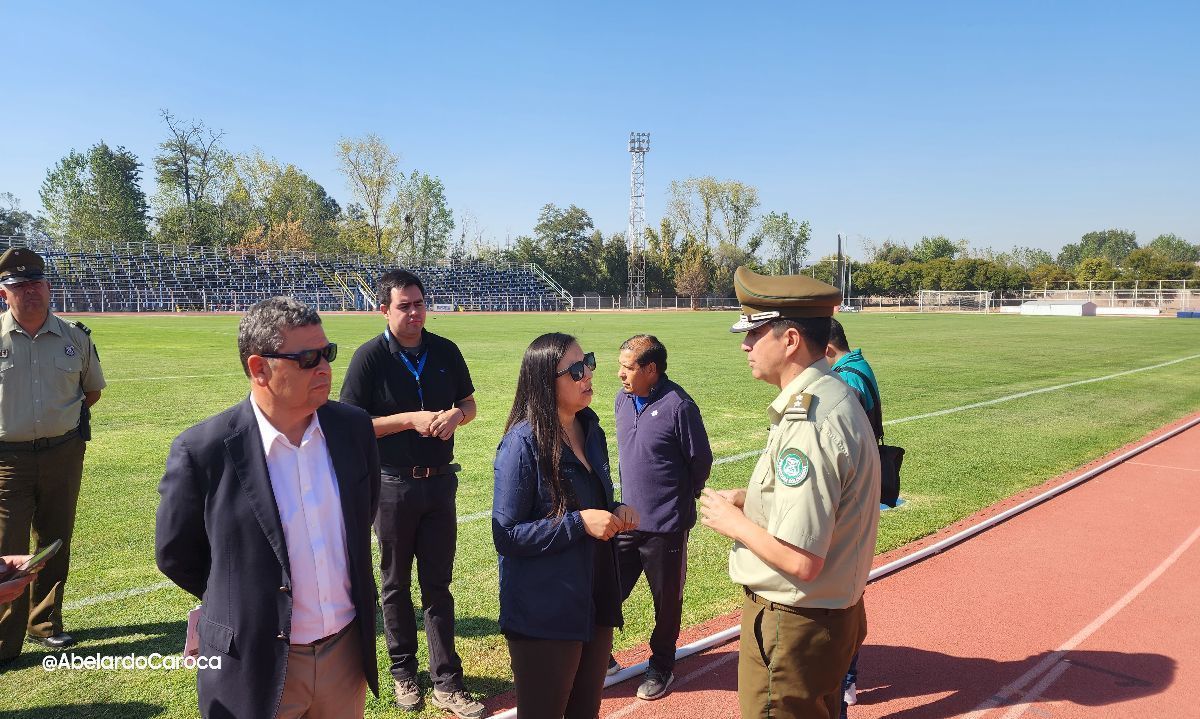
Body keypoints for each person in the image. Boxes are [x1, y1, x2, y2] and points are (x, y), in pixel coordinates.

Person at [156, 297, 381, 719]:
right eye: (308, 358)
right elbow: (175, 555)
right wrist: (237, 596)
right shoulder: (202, 451)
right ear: (259, 368)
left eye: (327, 353)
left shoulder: (352, 429)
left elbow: (360, 515)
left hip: (344, 656)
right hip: (256, 664)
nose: (324, 367)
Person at [699, 267, 880, 719]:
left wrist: (733, 522)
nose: (744, 345)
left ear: (791, 339)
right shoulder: (831, 395)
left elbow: (802, 560)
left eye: (755, 333)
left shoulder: (809, 423)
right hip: (825, 616)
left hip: (794, 623)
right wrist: (754, 498)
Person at [339, 270, 484, 719]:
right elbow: (351, 425)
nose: (415, 312)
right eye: (404, 306)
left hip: (440, 483)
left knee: (438, 586)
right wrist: (409, 420)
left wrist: (456, 418)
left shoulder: (445, 350)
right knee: (395, 584)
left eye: (419, 303)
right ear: (384, 309)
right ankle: (403, 673)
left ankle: (447, 681)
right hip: (393, 485)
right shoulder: (368, 359)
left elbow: (470, 404)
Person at [492, 333, 639, 719]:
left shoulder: (590, 428)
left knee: (584, 712)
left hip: (593, 597)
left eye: (587, 362)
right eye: (575, 369)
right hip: (546, 611)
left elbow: (592, 502)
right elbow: (505, 534)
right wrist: (579, 524)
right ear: (545, 382)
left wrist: (615, 509)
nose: (587, 372)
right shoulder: (520, 445)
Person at [0, 246, 105, 662]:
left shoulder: (75, 338)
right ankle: (4, 641)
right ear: (4, 293)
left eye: (37, 283)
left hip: (63, 453)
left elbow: (91, 391)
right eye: (19, 285)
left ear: (48, 287)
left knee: (55, 538)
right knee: (6, 546)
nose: (31, 292)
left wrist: (55, 425)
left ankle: (45, 624)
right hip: (6, 459)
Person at [611, 334, 713, 700]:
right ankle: (600, 656)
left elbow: (700, 460)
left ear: (651, 369)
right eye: (620, 365)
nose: (620, 374)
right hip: (626, 522)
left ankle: (662, 666)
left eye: (628, 367)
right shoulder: (622, 400)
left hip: (666, 529)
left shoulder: (679, 405)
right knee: (605, 590)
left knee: (666, 603)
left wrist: (680, 499)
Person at [826, 317, 882, 714]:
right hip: (859, 492)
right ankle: (847, 679)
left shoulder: (848, 380)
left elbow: (843, 436)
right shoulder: (859, 368)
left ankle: (846, 681)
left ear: (826, 349)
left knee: (843, 593)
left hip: (850, 498)